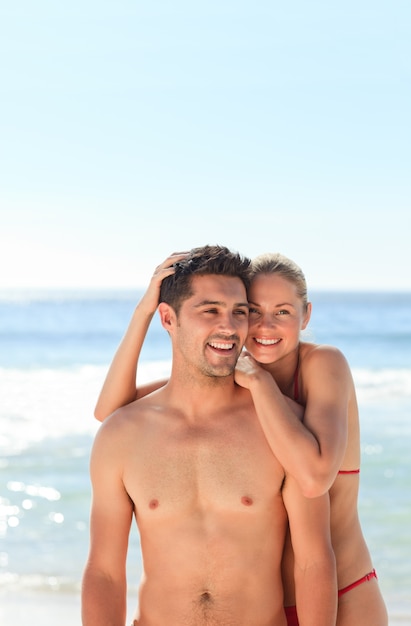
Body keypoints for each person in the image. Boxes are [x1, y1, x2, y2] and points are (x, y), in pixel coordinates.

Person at [83, 246, 337, 626]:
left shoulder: (282, 429)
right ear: (168, 318)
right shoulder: (122, 434)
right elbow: (104, 572)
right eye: (210, 311)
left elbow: (314, 561)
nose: (229, 326)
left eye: (239, 312)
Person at [233, 252, 388, 626]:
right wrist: (144, 312)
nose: (266, 325)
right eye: (253, 311)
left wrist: (259, 381)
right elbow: (112, 408)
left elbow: (315, 477)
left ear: (305, 315)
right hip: (264, 608)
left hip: (346, 594)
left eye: (283, 312)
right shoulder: (232, 375)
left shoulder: (324, 365)